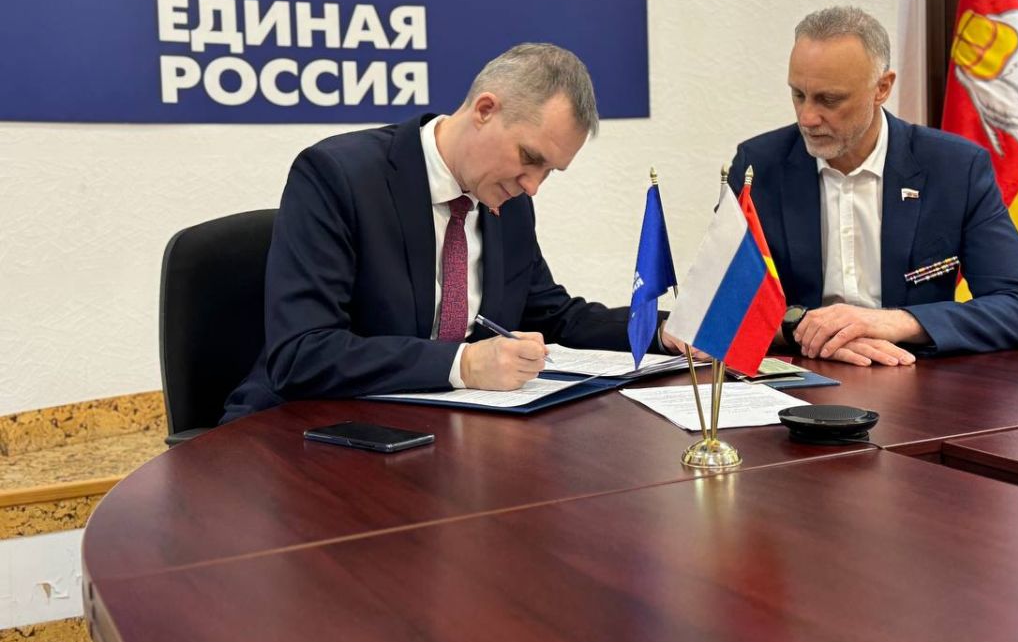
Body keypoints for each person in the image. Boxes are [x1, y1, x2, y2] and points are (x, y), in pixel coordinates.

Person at [224, 43, 685, 420]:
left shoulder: (510, 202)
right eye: (530, 158)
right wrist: (463, 363)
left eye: (549, 171)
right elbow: (303, 353)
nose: (533, 186)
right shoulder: (338, 176)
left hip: (439, 432)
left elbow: (553, 314)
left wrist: (660, 331)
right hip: (306, 431)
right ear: (485, 110)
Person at [727, 6, 1018, 367]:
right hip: (801, 375)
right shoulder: (759, 167)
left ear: (882, 88)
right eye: (798, 95)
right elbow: (720, 311)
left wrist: (897, 322)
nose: (807, 117)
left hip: (913, 374)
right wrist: (800, 329)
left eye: (829, 100)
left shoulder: (954, 169)